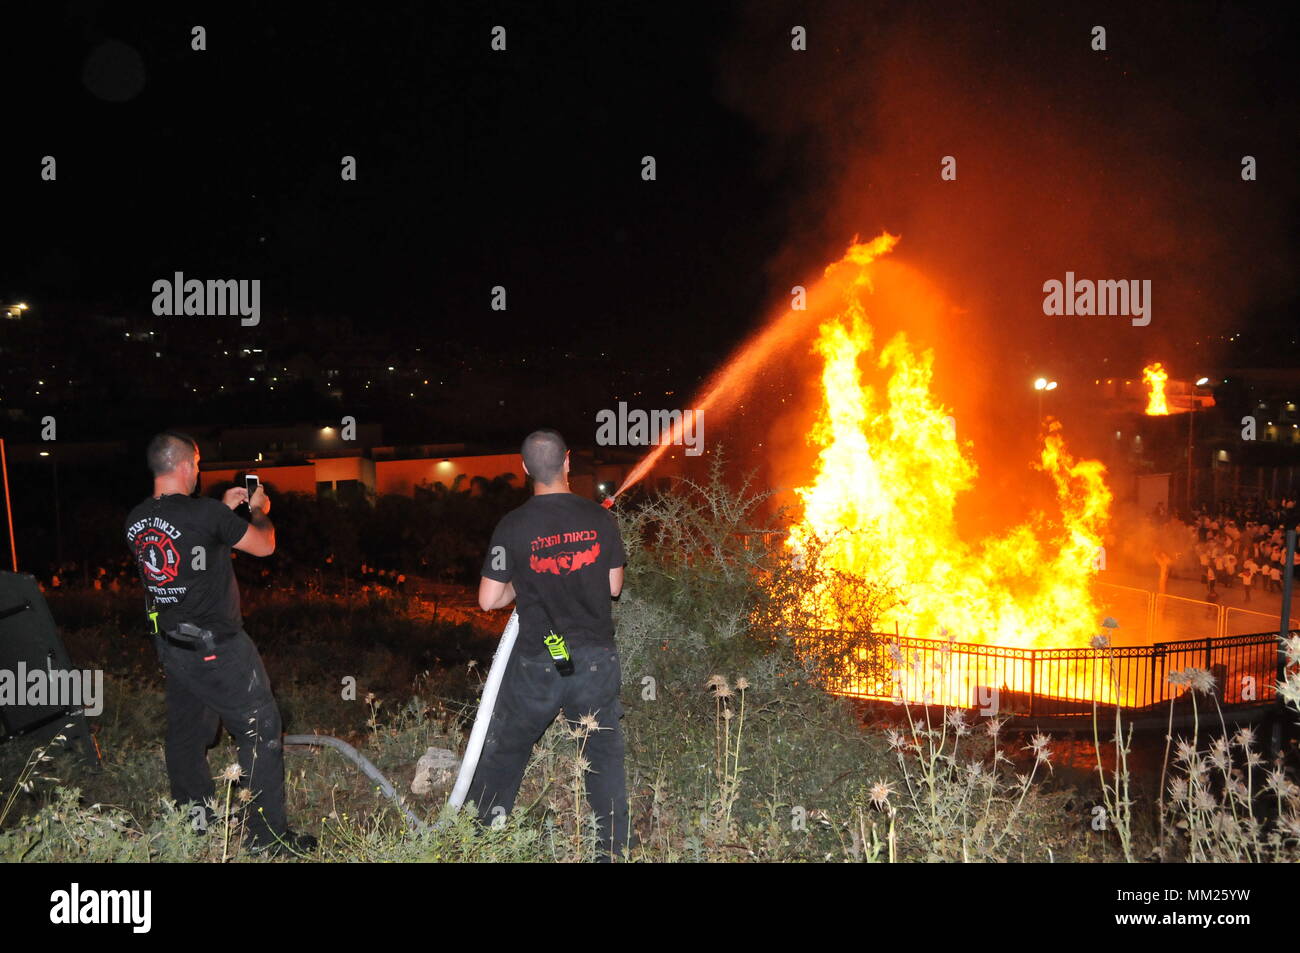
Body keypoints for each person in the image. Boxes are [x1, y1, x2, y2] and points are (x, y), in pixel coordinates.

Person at [124, 432, 315, 856]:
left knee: (187, 736)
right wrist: (258, 511)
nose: (198, 470)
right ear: (186, 464)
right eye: (197, 463)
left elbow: (187, 544)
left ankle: (195, 821)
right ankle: (267, 839)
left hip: (173, 645)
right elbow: (264, 546)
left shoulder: (136, 519)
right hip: (220, 650)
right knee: (261, 731)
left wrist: (221, 514)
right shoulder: (206, 514)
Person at [470, 429, 630, 861]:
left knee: (506, 750)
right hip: (594, 659)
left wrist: (520, 588)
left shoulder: (512, 525)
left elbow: (489, 598)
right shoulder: (600, 520)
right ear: (567, 462)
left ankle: (483, 839)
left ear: (524, 470)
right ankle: (610, 852)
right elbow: (614, 587)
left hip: (544, 658)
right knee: (602, 754)